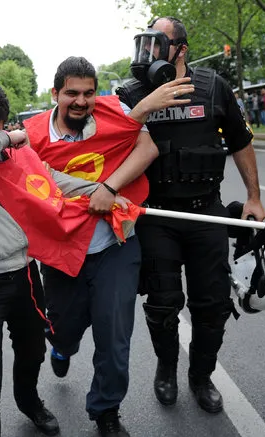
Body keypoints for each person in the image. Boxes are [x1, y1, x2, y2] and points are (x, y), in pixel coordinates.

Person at [0, 78, 129, 437]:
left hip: (23, 274)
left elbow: (51, 180)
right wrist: (7, 138)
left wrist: (104, 192)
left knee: (32, 352)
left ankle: (29, 402)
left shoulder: (14, 149)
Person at [24, 56, 192, 437]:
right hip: (64, 251)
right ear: (55, 94)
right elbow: (31, 184)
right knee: (64, 328)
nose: (81, 101)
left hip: (116, 245)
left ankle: (106, 410)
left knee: (114, 336)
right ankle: (62, 346)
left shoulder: (116, 113)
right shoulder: (33, 135)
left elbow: (147, 150)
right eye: (71, 94)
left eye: (87, 92)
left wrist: (111, 188)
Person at [117, 16, 265, 415]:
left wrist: (253, 196)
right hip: (155, 217)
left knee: (212, 303)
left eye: (157, 44)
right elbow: (107, 147)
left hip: (207, 216)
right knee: (162, 304)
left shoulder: (213, 87)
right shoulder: (130, 93)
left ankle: (201, 376)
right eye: (143, 43)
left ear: (180, 50)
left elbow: (241, 140)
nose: (147, 53)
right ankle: (166, 368)